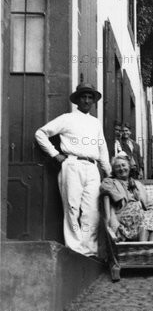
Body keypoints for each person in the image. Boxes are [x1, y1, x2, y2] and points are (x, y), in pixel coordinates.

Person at [34, 83, 111, 256]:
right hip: (72, 165)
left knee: (92, 211)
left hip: (92, 167)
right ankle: (75, 250)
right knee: (72, 207)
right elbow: (41, 133)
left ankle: (89, 250)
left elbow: (102, 149)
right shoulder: (67, 118)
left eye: (90, 97)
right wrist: (55, 154)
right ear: (77, 99)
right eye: (83, 96)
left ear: (93, 101)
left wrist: (108, 171)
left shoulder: (95, 123)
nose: (86, 100)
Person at [101, 156, 153, 241]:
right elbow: (104, 188)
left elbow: (150, 204)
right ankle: (145, 249)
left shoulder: (137, 184)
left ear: (129, 167)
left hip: (141, 216)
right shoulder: (110, 182)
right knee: (145, 216)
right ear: (114, 170)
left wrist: (151, 211)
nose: (121, 168)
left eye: (123, 165)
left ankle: (148, 248)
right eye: (117, 166)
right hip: (124, 217)